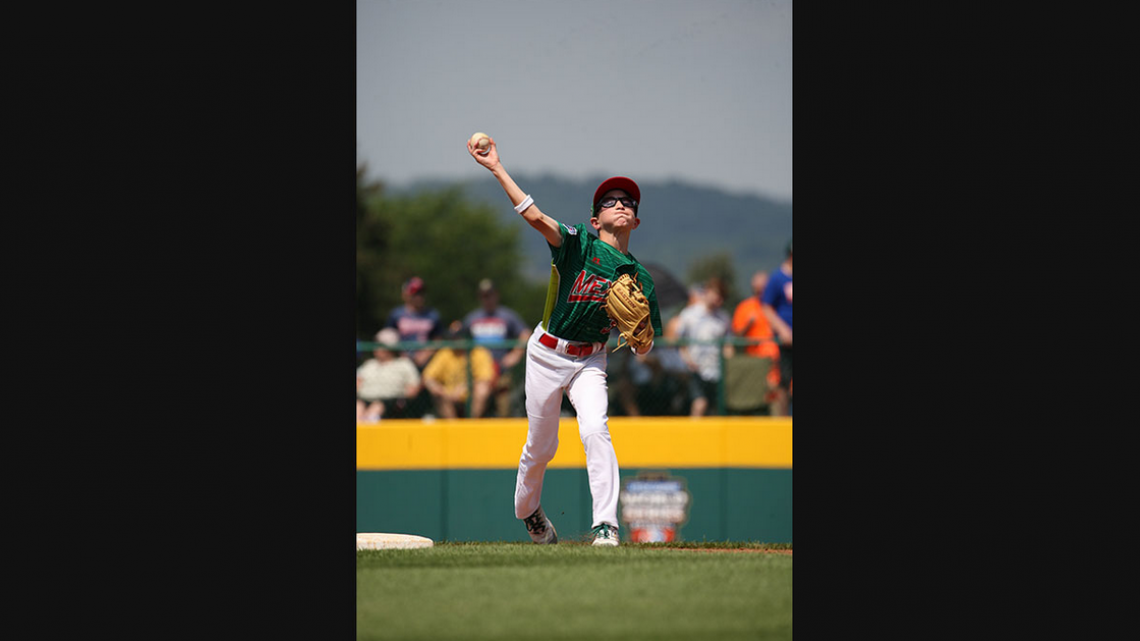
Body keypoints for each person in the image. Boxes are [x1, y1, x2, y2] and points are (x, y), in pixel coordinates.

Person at [468, 135, 662, 547]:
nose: (622, 204)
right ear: (595, 219)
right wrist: (497, 168)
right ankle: (528, 512)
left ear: (637, 222)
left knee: (595, 429)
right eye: (611, 201)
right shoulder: (578, 243)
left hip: (590, 361)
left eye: (629, 202)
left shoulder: (641, 279)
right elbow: (536, 217)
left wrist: (640, 337)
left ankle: (606, 526)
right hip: (545, 353)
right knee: (541, 447)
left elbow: (645, 348)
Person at [461, 279, 532, 417]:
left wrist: (515, 354)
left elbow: (525, 333)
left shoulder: (507, 315)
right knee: (477, 398)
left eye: (490, 295)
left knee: (504, 405)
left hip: (501, 370)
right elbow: (460, 338)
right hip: (478, 372)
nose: (487, 299)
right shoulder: (472, 318)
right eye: (484, 295)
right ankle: (472, 428)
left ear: (496, 295)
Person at [675, 277, 733, 416]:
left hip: (717, 371)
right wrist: (688, 360)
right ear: (708, 292)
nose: (718, 300)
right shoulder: (690, 314)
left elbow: (728, 344)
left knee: (716, 407)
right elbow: (679, 341)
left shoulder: (723, 318)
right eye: (717, 295)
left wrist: (728, 359)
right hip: (696, 369)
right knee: (700, 403)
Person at [731, 270, 782, 409]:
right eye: (758, 290)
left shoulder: (777, 307)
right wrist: (748, 325)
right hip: (755, 362)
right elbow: (737, 336)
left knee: (779, 393)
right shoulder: (745, 307)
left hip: (779, 359)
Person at [421, 324, 496, 419]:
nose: (454, 341)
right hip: (448, 396)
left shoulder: (479, 352)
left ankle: (471, 424)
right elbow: (427, 377)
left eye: (458, 338)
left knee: (482, 390)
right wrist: (441, 390)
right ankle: (453, 427)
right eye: (453, 338)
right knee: (435, 391)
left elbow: (485, 379)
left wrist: (463, 388)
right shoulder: (446, 352)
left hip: (471, 396)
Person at [356, 328, 422, 422]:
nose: (376, 348)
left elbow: (413, 389)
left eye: (380, 345)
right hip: (364, 400)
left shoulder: (404, 364)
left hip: (391, 403)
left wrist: (401, 399)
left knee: (377, 406)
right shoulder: (369, 364)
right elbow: (358, 382)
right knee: (358, 406)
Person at [761, 239, 793, 416]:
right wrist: (782, 330)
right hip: (785, 340)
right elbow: (766, 307)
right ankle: (783, 420)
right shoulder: (777, 278)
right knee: (784, 381)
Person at [384, 276, 443, 369]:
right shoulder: (396, 314)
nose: (419, 297)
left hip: (428, 362)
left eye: (421, 293)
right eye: (415, 293)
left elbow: (438, 339)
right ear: (405, 295)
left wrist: (425, 355)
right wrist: (400, 355)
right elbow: (388, 338)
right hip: (400, 362)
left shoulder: (433, 315)